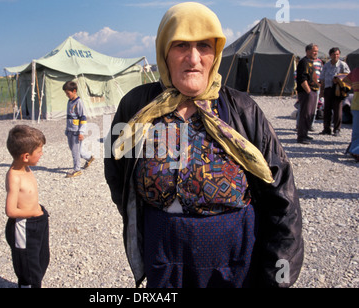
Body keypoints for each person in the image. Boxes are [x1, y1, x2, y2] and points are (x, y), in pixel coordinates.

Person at [104, 2, 303, 288]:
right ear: (164, 51)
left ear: (216, 53)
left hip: (235, 255)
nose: (193, 59)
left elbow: (281, 195)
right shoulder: (136, 106)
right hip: (163, 253)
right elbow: (117, 174)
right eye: (181, 45)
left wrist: (277, 276)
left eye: (204, 47)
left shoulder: (243, 109)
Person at [5, 125, 50, 288]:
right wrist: (33, 212)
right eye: (39, 151)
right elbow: (10, 210)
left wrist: (39, 213)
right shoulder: (14, 176)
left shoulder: (25, 167)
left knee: (41, 259)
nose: (41, 154)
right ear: (25, 156)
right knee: (28, 268)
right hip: (24, 226)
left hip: (38, 220)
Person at [63, 81, 95, 178]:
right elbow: (70, 117)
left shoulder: (79, 102)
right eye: (66, 93)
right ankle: (89, 158)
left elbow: (83, 118)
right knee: (76, 150)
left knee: (75, 151)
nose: (67, 95)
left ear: (74, 91)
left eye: (68, 93)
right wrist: (67, 129)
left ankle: (77, 170)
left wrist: (81, 132)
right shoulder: (70, 101)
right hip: (70, 131)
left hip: (76, 132)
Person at [319, 47, 351, 136]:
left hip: (338, 89)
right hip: (328, 89)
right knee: (327, 109)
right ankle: (326, 128)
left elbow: (348, 76)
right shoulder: (326, 65)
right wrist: (321, 90)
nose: (336, 56)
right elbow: (322, 78)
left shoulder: (343, 65)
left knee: (337, 110)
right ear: (330, 55)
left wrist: (339, 79)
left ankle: (337, 129)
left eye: (337, 54)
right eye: (334, 54)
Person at [296, 44, 320, 144]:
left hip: (313, 91)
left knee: (310, 114)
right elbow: (302, 78)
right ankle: (301, 136)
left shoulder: (311, 62)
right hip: (307, 92)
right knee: (305, 114)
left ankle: (305, 134)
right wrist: (309, 91)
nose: (316, 53)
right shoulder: (304, 62)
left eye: (317, 51)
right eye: (314, 51)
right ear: (308, 51)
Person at [343, 67, 359, 161]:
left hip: (355, 104)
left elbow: (345, 80)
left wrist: (354, 86)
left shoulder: (355, 70)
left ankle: (353, 150)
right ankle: (356, 152)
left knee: (356, 131)